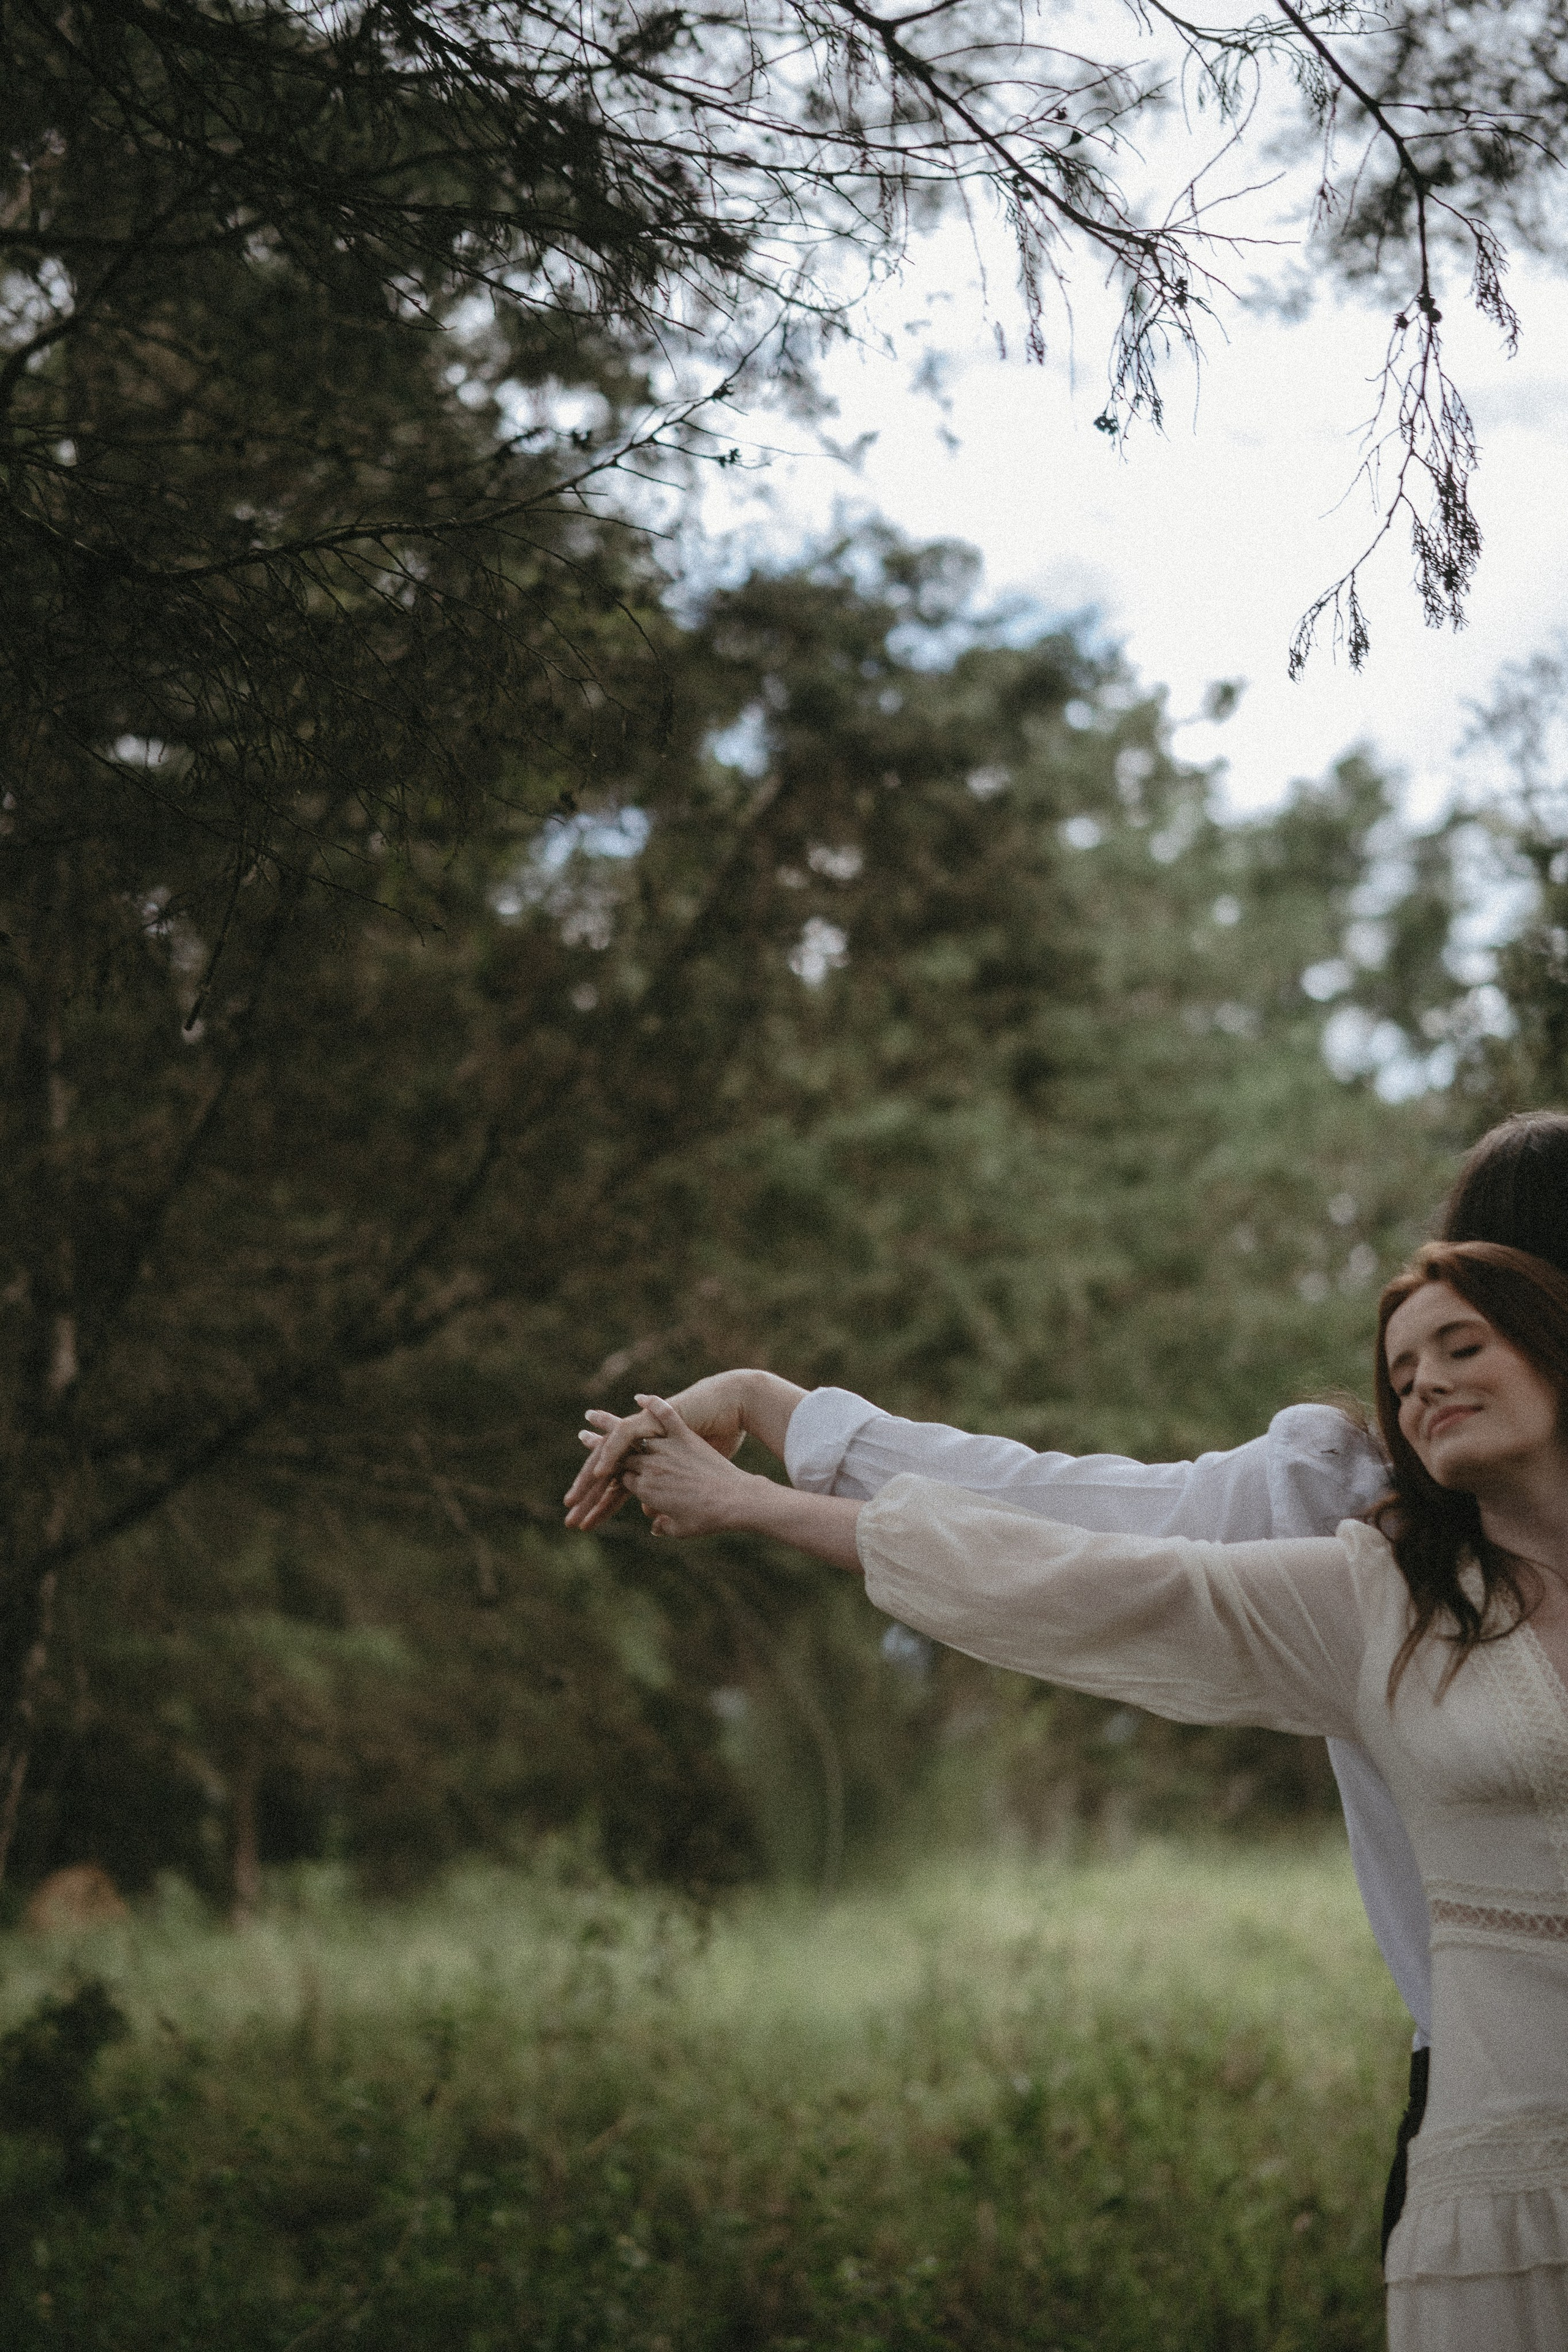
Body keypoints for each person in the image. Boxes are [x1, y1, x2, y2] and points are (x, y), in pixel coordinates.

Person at [562, 1110, 1568, 2257]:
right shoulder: (1364, 1531)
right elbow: (1072, 1543)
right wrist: (771, 1414)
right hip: (1493, 2140)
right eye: (1419, 1357)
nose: (1431, 1378)